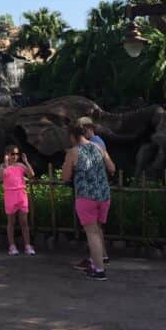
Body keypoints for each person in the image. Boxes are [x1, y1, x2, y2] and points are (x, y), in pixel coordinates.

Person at [61, 118, 116, 280]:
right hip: (104, 195)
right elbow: (112, 168)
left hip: (86, 197)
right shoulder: (99, 147)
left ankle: (99, 270)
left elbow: (65, 177)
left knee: (91, 233)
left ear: (72, 135)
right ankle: (95, 263)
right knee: (98, 230)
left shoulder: (73, 152)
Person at [0, 144, 35, 256]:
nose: (15, 156)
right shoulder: (3, 167)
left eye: (16, 154)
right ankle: (12, 245)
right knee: (11, 222)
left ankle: (28, 245)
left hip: (21, 194)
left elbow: (31, 174)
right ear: (7, 155)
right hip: (10, 194)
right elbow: (1, 177)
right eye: (12, 154)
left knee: (24, 221)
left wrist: (26, 162)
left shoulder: (20, 165)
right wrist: (5, 163)